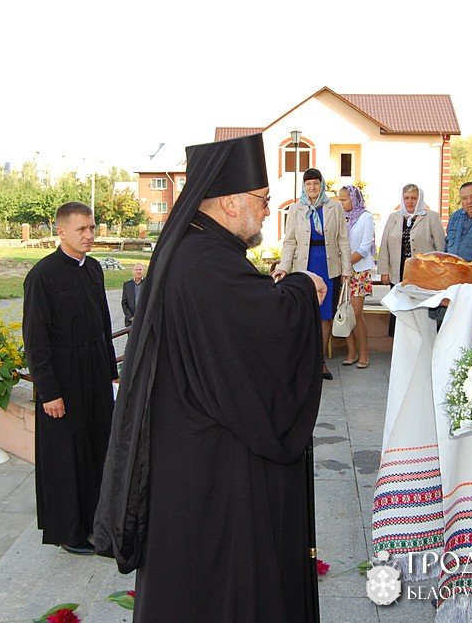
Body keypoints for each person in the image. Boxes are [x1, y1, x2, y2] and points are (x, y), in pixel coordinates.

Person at [95, 134, 327, 622]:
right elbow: (259, 332)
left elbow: (234, 322)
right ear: (228, 201)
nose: (267, 212)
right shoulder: (205, 261)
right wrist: (304, 290)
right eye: (262, 201)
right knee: (223, 578)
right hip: (212, 460)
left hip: (189, 444)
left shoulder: (197, 250)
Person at [22, 201, 118, 556]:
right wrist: (48, 392)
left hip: (94, 377)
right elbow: (35, 339)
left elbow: (104, 327)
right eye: (82, 229)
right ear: (60, 231)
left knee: (96, 449)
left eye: (92, 228)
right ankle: (68, 532)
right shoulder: (42, 276)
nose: (90, 235)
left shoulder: (93, 269)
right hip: (62, 383)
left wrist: (112, 374)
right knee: (66, 458)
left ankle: (96, 521)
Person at [273, 168, 352, 380]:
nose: (312, 187)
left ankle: (320, 363)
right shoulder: (295, 209)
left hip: (328, 266)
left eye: (316, 183)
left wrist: (346, 270)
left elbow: (343, 239)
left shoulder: (334, 206)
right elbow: (289, 241)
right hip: (304, 266)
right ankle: (302, 362)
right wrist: (283, 266)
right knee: (305, 314)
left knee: (325, 315)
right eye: (308, 184)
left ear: (322, 184)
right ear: (304, 186)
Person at [377, 183, 446, 335]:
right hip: (398, 271)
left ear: (420, 199)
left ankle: (422, 339)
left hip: (422, 274)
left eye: (414, 198)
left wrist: (436, 272)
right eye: (406, 198)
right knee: (400, 308)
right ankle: (401, 342)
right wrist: (384, 271)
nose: (409, 202)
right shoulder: (393, 217)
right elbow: (385, 244)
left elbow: (441, 247)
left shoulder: (431, 217)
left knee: (420, 309)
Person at [339, 184, 375, 368]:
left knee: (356, 313)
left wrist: (346, 265)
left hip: (359, 271)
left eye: (344, 199)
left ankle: (364, 354)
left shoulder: (366, 217)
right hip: (343, 273)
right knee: (344, 312)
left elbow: (364, 247)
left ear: (354, 199)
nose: (341, 202)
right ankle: (351, 352)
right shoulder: (342, 218)